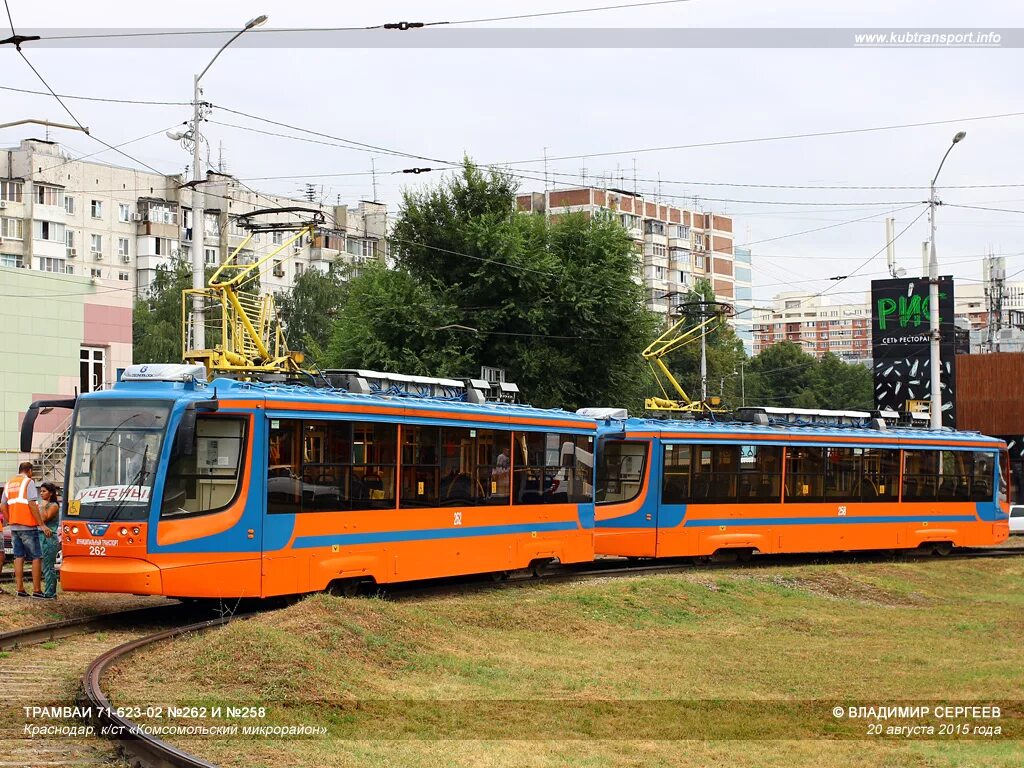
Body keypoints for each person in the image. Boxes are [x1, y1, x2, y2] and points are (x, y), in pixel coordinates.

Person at [0, 462, 53, 599]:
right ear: (29, 471)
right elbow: (31, 504)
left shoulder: (9, 483)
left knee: (19, 556)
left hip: (14, 527)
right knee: (36, 557)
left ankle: (20, 589)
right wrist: (41, 524)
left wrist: (10, 520)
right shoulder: (28, 482)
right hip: (28, 526)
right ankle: (37, 590)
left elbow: (3, 504)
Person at [38, 483, 61, 600]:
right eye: (41, 491)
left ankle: (50, 593)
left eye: (44, 491)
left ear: (50, 493)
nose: (41, 493)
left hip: (49, 538)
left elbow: (44, 518)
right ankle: (48, 591)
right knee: (44, 565)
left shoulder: (53, 506)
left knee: (48, 566)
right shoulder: (44, 504)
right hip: (41, 536)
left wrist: (42, 506)